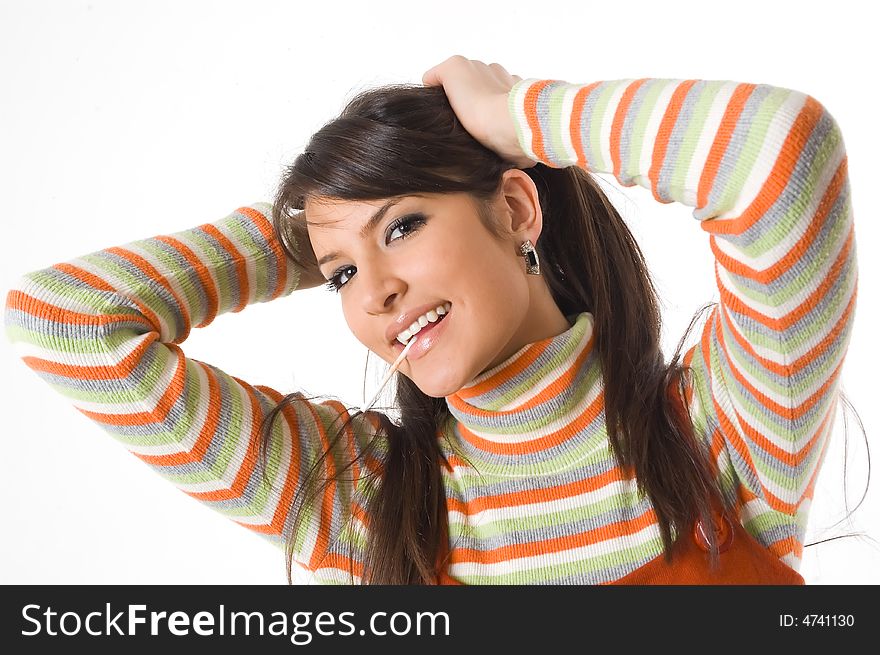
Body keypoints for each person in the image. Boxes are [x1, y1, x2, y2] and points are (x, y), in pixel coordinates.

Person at [4, 55, 859, 585]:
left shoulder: (727, 432)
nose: (370, 292)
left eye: (404, 227)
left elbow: (781, 151)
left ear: (520, 210)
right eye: (340, 276)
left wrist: (517, 117)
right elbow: (63, 320)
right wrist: (309, 222)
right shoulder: (368, 507)